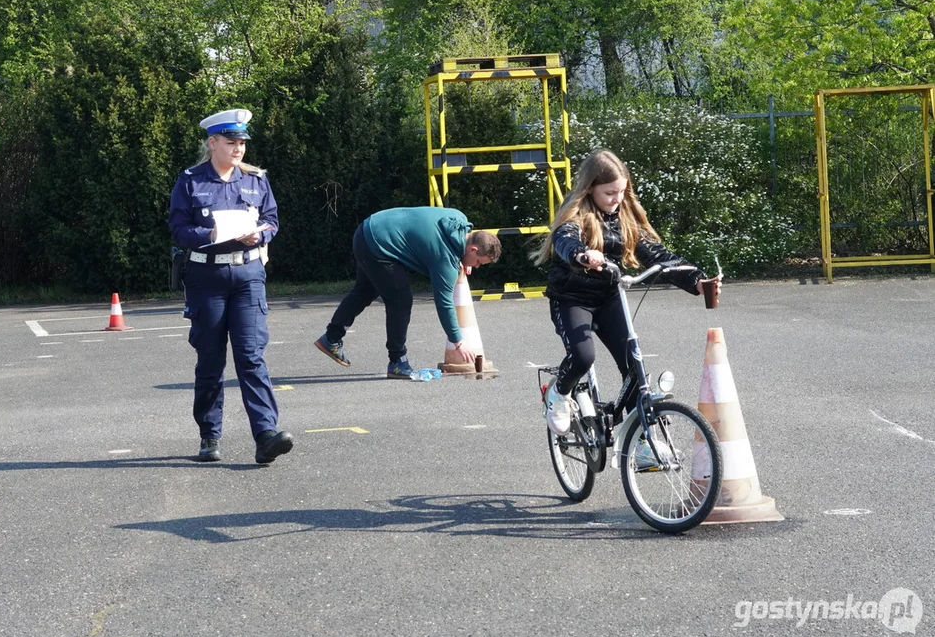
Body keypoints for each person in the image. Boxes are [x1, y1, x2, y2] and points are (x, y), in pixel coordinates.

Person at [531, 149, 722, 436]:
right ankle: (558, 394)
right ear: (590, 188)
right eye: (609, 193)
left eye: (621, 191)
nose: (617, 199)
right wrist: (582, 255)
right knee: (583, 357)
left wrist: (697, 280)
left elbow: (658, 254)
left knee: (635, 367)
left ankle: (643, 443)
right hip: (571, 298)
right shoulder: (575, 215)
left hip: (609, 297)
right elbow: (565, 240)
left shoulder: (624, 217)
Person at [168, 108, 293, 464]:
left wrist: (262, 233)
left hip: (248, 276)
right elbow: (178, 229)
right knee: (210, 359)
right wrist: (210, 234)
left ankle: (266, 434)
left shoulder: (256, 180)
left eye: (242, 143)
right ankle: (209, 435)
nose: (238, 149)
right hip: (206, 279)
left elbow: (272, 220)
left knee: (251, 357)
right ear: (212, 143)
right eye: (231, 142)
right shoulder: (191, 181)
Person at [314, 206, 502, 377]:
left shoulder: (458, 218)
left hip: (369, 228)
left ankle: (331, 338)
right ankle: (397, 362)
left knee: (364, 291)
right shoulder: (444, 261)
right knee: (400, 301)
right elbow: (444, 303)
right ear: (473, 248)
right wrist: (457, 341)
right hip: (379, 246)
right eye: (478, 262)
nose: (476, 267)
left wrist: (462, 259)